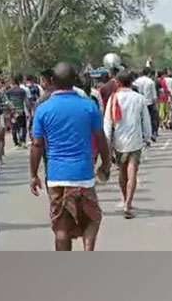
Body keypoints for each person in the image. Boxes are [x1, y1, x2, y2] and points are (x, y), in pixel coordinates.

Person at [30, 63, 111, 251]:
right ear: (75, 81)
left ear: (51, 81)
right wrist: (106, 164)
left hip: (56, 176)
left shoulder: (43, 109)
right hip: (83, 174)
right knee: (92, 217)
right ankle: (88, 248)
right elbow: (100, 138)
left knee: (61, 227)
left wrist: (33, 174)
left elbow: (37, 144)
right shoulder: (89, 106)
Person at [104, 71, 152, 219]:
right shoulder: (139, 98)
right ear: (131, 82)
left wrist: (107, 144)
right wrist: (148, 137)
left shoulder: (113, 99)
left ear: (118, 83)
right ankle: (128, 203)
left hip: (119, 142)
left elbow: (108, 123)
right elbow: (146, 120)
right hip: (135, 141)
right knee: (132, 174)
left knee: (122, 173)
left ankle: (125, 198)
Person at [134, 67, 158, 140]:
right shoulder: (150, 81)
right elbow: (154, 95)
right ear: (149, 73)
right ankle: (152, 133)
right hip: (149, 103)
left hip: (139, 102)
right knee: (151, 119)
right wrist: (155, 104)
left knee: (140, 119)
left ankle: (141, 134)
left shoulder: (137, 81)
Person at [7, 75, 28, 148]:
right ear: (19, 82)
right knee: (23, 126)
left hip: (13, 113)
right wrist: (29, 111)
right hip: (21, 111)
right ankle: (23, 141)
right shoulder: (22, 91)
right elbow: (26, 102)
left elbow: (8, 102)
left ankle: (16, 142)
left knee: (14, 127)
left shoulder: (9, 92)